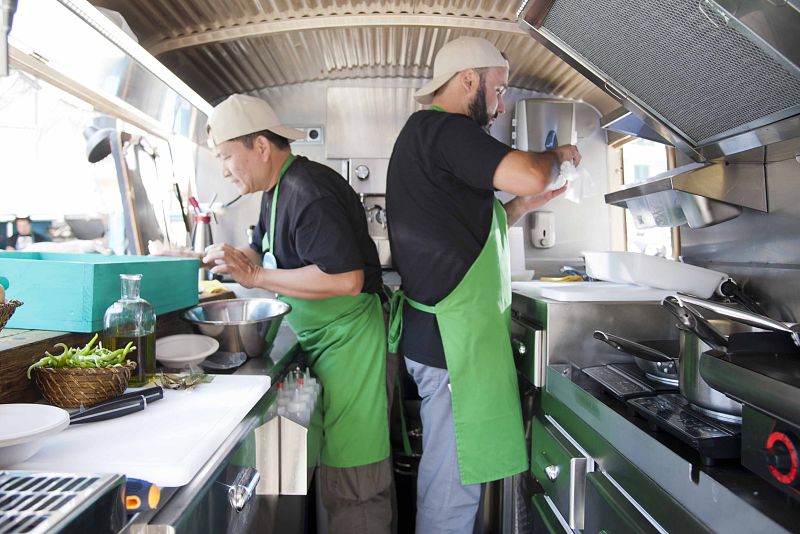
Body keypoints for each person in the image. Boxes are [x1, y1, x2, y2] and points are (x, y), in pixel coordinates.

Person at [386, 37, 581, 533]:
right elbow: (532, 173)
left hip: (448, 340)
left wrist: (522, 208)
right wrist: (557, 153)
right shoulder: (447, 129)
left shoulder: (429, 136)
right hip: (451, 344)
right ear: (467, 80)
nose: (499, 107)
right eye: (498, 91)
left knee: (453, 477)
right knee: (451, 488)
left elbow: (469, 227)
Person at [201, 94, 392, 533]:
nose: (224, 169)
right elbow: (259, 247)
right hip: (321, 338)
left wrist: (256, 277)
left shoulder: (308, 192)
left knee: (355, 476)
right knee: (337, 471)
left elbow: (346, 279)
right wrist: (215, 259)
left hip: (349, 342)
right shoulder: (275, 189)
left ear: (261, 148)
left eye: (227, 156)